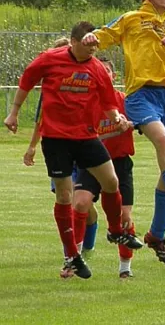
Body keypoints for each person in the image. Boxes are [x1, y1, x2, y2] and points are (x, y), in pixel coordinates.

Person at [4, 21, 142, 279]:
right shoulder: (50, 59)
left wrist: (117, 117)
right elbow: (27, 80)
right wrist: (13, 113)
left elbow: (108, 100)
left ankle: (114, 230)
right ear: (74, 42)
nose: (92, 51)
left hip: (86, 136)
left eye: (95, 47)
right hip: (56, 139)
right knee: (65, 197)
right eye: (88, 46)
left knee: (111, 181)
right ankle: (72, 255)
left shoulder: (97, 68)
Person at [81, 0, 165, 266]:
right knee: (162, 141)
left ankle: (157, 235)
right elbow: (104, 35)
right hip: (140, 94)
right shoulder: (132, 19)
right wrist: (91, 37)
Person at [23, 36, 99, 257]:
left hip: (82, 149)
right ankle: (77, 250)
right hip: (59, 149)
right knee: (68, 200)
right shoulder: (50, 90)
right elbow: (41, 120)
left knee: (80, 202)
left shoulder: (82, 81)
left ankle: (83, 249)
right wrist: (32, 147)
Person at [73, 59, 138, 279]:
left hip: (119, 163)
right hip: (92, 162)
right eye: (100, 71)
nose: (103, 75)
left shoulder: (124, 101)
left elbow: (140, 121)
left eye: (107, 71)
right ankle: (74, 259)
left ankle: (125, 268)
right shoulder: (87, 102)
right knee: (80, 203)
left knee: (125, 217)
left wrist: (129, 123)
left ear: (112, 77)